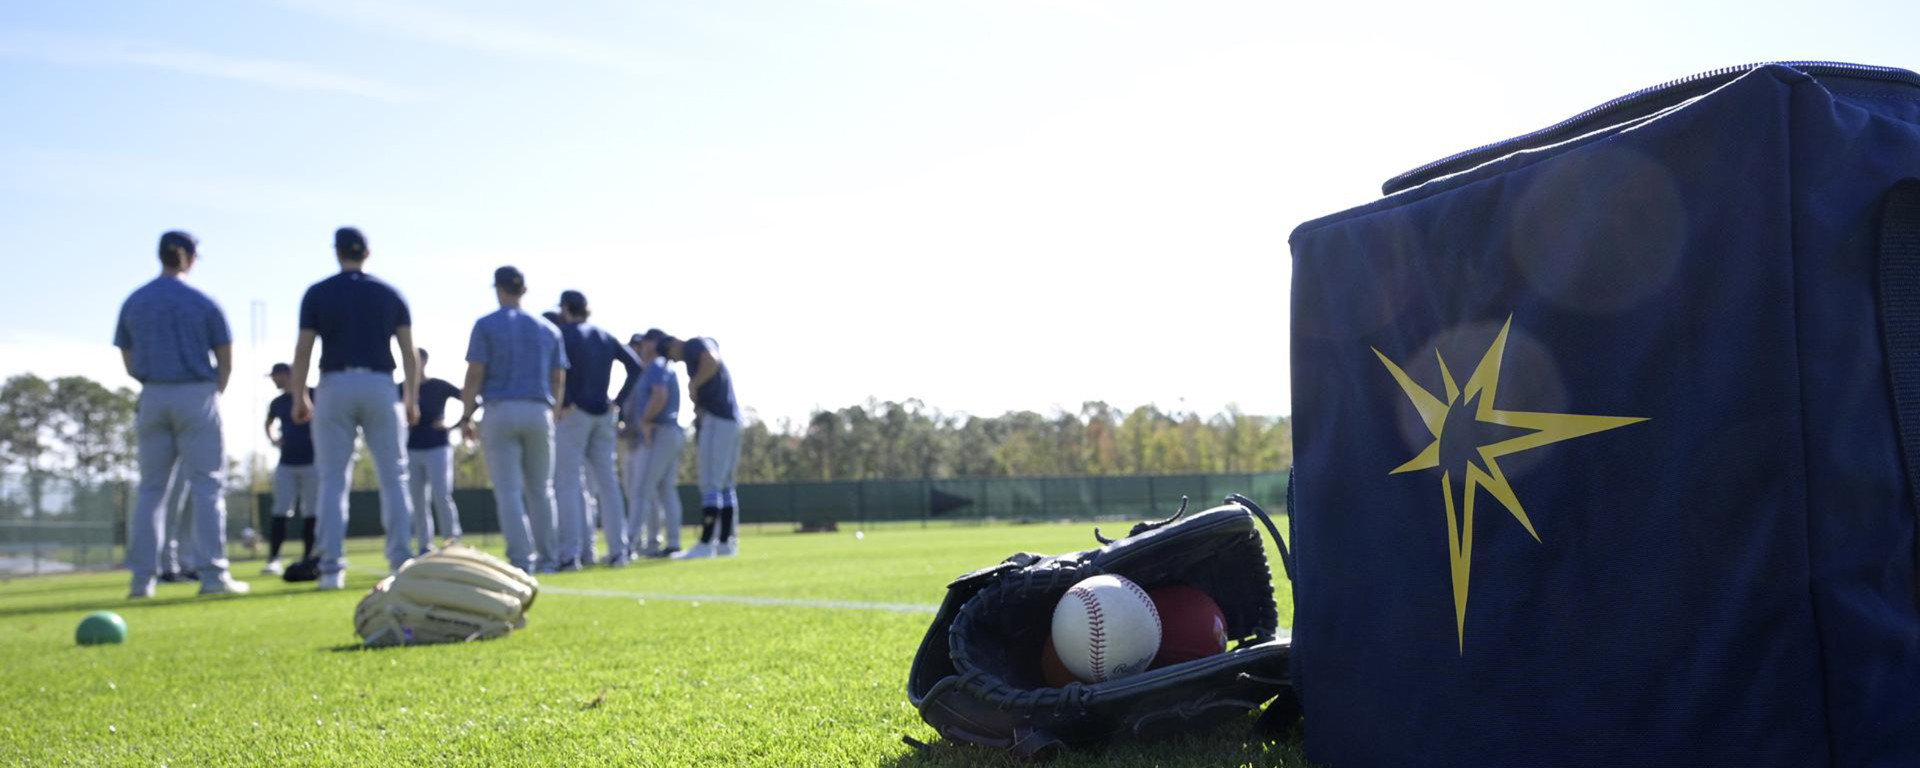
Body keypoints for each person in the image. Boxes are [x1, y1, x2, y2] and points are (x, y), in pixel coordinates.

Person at [115, 230, 249, 597]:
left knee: (151, 491)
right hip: (196, 394)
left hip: (153, 395)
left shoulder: (136, 300)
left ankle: (142, 581)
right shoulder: (203, 301)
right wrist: (213, 390)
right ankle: (213, 576)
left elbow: (127, 359)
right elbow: (225, 357)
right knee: (207, 487)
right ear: (188, 257)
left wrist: (152, 378)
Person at [290, 227, 420, 590]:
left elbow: (303, 350)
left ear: (337, 252)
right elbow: (409, 352)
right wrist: (411, 398)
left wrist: (299, 395)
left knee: (332, 479)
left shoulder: (319, 292)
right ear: (368, 252)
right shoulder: (389, 292)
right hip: (380, 384)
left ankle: (331, 569)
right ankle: (400, 560)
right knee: (395, 476)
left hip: (334, 384)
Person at [457, 267, 569, 574]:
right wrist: (554, 411)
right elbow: (558, 379)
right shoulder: (549, 330)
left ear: (498, 288)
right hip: (539, 411)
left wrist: (466, 415)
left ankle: (522, 560)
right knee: (541, 490)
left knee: (508, 491)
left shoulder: (486, 325)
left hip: (500, 411)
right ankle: (548, 558)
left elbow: (475, 373)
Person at [551, 291, 640, 569]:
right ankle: (618, 551)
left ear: (566, 309)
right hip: (603, 415)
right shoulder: (604, 335)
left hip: (574, 414)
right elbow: (636, 366)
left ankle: (571, 554)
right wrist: (617, 401)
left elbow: (555, 372)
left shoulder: (562, 334)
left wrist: (563, 403)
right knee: (608, 483)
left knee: (567, 483)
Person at [658, 331, 742, 558]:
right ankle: (725, 542)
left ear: (674, 344)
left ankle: (707, 542)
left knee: (710, 483)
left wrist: (693, 386)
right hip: (729, 419)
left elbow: (711, 360)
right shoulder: (700, 346)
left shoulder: (693, 346)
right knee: (724, 485)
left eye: (670, 354)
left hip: (718, 418)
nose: (673, 360)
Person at [624, 331, 685, 558]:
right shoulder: (658, 367)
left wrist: (644, 421)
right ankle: (673, 543)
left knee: (640, 489)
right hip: (670, 433)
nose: (643, 346)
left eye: (648, 341)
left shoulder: (656, 366)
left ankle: (629, 544)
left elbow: (659, 395)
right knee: (665, 490)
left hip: (658, 432)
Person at [405, 348, 463, 554]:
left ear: (424, 362)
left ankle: (451, 542)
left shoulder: (438, 386)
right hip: (411, 450)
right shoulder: (401, 388)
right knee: (418, 500)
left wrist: (459, 424)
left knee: (441, 494)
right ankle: (424, 546)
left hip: (438, 448)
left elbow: (470, 398)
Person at [263, 363, 319, 574]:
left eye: (276, 376)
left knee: (311, 511)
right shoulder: (277, 402)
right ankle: (273, 558)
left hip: (312, 462)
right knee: (280, 510)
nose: (274, 381)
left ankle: (308, 556)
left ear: (287, 375)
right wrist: (273, 439)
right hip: (286, 463)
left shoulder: (313, 394)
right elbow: (267, 423)